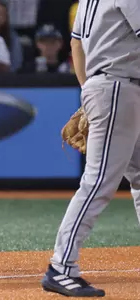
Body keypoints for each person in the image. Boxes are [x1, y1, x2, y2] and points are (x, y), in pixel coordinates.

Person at [41, 0, 140, 297]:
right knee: (98, 182)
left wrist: (89, 92)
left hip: (112, 88)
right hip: (119, 87)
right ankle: (61, 267)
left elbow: (76, 44)